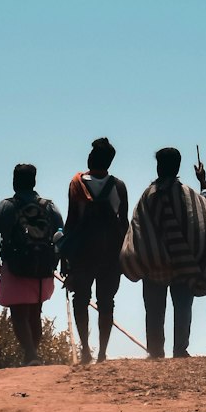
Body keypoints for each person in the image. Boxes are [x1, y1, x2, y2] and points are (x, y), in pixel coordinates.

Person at [120, 148, 206, 359]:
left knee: (154, 309)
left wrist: (141, 256)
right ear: (177, 167)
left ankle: (156, 350)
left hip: (154, 266)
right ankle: (180, 349)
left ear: (159, 166)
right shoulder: (190, 196)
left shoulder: (148, 196)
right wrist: (203, 181)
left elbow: (137, 229)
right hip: (184, 266)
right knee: (183, 307)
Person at [0, 163, 63, 366]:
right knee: (35, 313)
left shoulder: (5, 206)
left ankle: (30, 354)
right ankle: (32, 354)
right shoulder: (49, 206)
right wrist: (62, 262)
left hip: (15, 267)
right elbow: (62, 234)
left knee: (19, 315)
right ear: (34, 181)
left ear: (14, 181)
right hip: (42, 268)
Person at [61, 136, 129, 364]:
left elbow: (71, 222)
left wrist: (65, 259)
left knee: (81, 299)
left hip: (82, 253)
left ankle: (85, 352)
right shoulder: (119, 186)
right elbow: (124, 224)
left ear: (91, 158)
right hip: (111, 254)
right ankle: (102, 353)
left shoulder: (77, 184)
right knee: (106, 302)